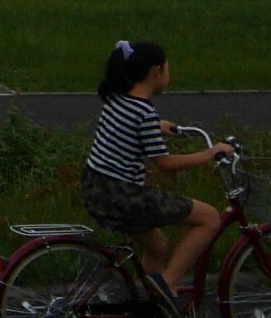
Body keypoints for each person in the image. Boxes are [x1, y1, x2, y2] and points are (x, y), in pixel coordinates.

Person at [81, 39, 234, 315]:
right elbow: (164, 163)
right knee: (210, 218)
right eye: (167, 69)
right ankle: (169, 283)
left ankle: (153, 306)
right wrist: (211, 153)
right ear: (156, 72)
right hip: (125, 197)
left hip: (97, 188)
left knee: (158, 246)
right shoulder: (143, 112)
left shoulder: (117, 99)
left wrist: (157, 127)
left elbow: (120, 141)